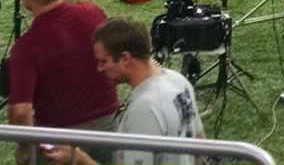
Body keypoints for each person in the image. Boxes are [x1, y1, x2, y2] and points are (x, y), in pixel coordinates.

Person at [42, 19, 201, 165]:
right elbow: (200, 142)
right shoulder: (178, 80)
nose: (99, 68)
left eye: (104, 61)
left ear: (125, 58)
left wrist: (79, 158)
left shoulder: (145, 108)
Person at [7, 0, 119, 139]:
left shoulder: (27, 46)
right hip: (108, 127)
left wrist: (25, 147)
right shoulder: (92, 12)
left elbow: (21, 111)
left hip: (61, 139)